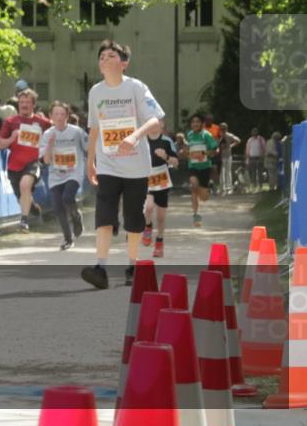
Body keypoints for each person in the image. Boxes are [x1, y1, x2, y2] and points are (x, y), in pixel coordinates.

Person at [81, 40, 164, 290]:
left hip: (136, 167)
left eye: (111, 55)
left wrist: (134, 136)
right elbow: (95, 127)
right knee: (104, 215)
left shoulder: (136, 88)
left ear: (124, 63)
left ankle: (132, 264)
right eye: (101, 56)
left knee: (133, 218)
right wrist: (90, 161)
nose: (104, 59)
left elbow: (155, 122)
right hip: (108, 165)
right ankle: (101, 268)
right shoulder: (96, 91)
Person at [0, 88, 51, 232]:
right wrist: (12, 137)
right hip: (14, 165)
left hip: (34, 161)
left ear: (33, 104)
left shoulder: (43, 123)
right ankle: (33, 208)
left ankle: (24, 221)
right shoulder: (10, 121)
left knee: (25, 185)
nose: (24, 105)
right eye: (21, 102)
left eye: (27, 102)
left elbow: (55, 136)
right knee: (22, 194)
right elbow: (0, 144)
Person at [40, 100, 89, 250]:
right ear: (51, 116)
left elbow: (88, 149)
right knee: (58, 207)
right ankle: (68, 239)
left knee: (67, 197)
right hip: (55, 175)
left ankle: (76, 217)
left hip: (74, 172)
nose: (59, 117)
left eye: (62, 114)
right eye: (56, 114)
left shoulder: (77, 132)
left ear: (67, 116)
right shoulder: (48, 134)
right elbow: (46, 161)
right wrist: (50, 145)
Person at [142, 120, 179, 258]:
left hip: (162, 178)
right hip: (147, 177)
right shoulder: (142, 141)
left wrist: (166, 157)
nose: (154, 125)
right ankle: (148, 226)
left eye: (158, 122)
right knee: (149, 206)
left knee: (161, 217)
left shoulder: (167, 141)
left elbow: (176, 163)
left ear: (162, 125)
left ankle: (159, 241)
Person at [182, 113, 217, 226]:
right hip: (193, 167)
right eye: (193, 122)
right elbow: (188, 150)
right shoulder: (190, 135)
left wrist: (203, 153)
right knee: (193, 186)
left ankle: (208, 188)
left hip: (205, 168)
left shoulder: (206, 135)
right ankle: (196, 215)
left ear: (202, 124)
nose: (195, 124)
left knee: (204, 197)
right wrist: (187, 153)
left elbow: (214, 150)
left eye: (197, 122)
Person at [218, 122, 241, 194]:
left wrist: (230, 146)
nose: (222, 129)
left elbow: (238, 140)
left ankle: (228, 187)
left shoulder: (229, 135)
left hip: (228, 155)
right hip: (220, 156)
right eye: (222, 128)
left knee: (227, 171)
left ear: (226, 128)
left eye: (223, 128)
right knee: (222, 171)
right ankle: (223, 187)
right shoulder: (218, 136)